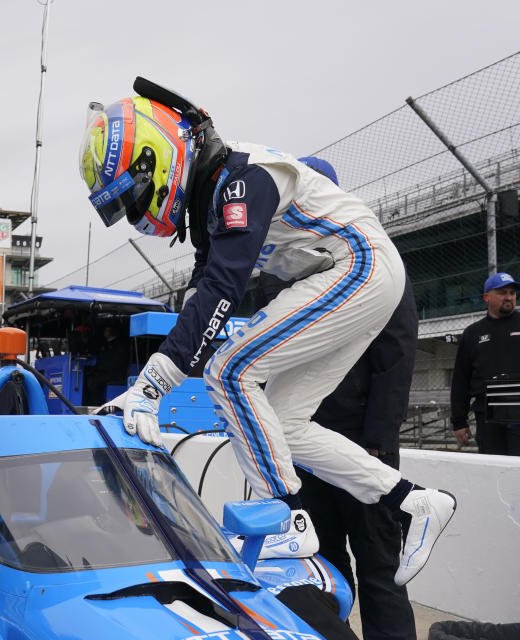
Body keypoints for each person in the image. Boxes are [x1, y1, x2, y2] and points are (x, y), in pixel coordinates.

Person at [79, 77, 455, 587]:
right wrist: (142, 392)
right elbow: (200, 302)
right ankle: (413, 501)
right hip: (362, 272)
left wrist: (151, 391)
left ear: (156, 160)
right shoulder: (216, 195)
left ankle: (284, 516)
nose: (136, 215)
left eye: (132, 197)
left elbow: (223, 289)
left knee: (231, 369)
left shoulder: (242, 180)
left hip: (357, 264)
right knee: (284, 424)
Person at [258, 157, 418, 640]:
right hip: (303, 448)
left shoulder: (374, 259)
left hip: (360, 446)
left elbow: (396, 355)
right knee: (321, 569)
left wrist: (378, 440)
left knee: (379, 567)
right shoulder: (277, 271)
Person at [450, 272, 520, 455]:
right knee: (493, 468)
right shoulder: (472, 333)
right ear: (487, 297)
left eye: (512, 293)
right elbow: (461, 380)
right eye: (502, 292)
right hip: (488, 412)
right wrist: (459, 421)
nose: (509, 297)